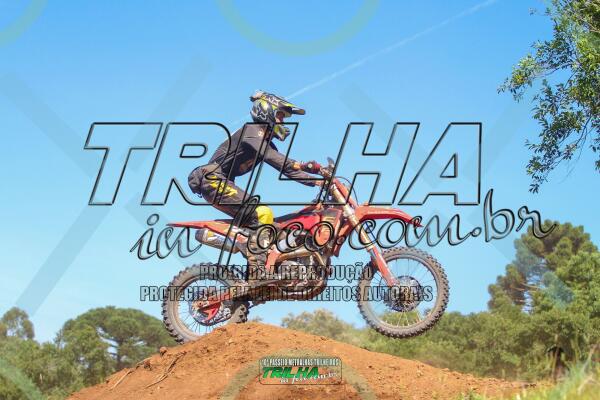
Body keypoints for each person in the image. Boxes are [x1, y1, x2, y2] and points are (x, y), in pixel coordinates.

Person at [188, 90, 320, 278]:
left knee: (274, 228)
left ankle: (270, 270)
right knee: (262, 213)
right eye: (280, 115)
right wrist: (302, 165)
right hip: (212, 180)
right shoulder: (251, 131)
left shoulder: (265, 142)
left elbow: (287, 169)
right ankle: (257, 272)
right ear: (267, 111)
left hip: (221, 183)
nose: (282, 121)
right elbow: (274, 158)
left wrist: (319, 182)